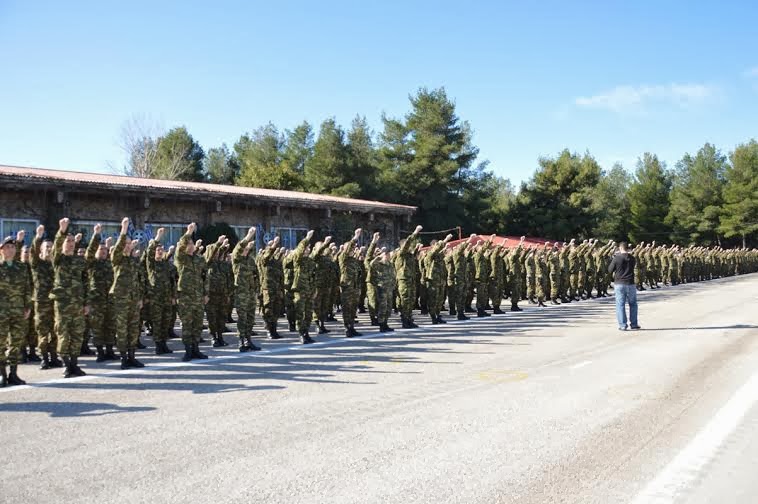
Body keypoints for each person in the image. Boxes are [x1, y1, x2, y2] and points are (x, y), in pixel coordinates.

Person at [608, 242, 640, 331]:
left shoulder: (616, 258)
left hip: (619, 283)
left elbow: (610, 270)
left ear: (620, 248)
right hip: (630, 283)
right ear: (628, 248)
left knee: (620, 305)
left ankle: (623, 325)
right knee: (633, 304)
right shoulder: (632, 258)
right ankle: (634, 324)